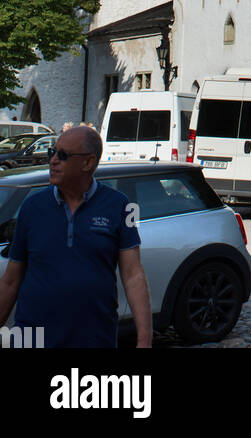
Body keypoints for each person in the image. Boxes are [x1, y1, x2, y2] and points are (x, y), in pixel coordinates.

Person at [0, 124, 152, 348]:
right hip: (32, 339)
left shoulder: (121, 206)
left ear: (88, 162)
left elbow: (133, 275)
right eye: (53, 153)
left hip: (93, 338)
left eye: (62, 155)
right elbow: (11, 281)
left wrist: (144, 340)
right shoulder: (32, 207)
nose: (53, 161)